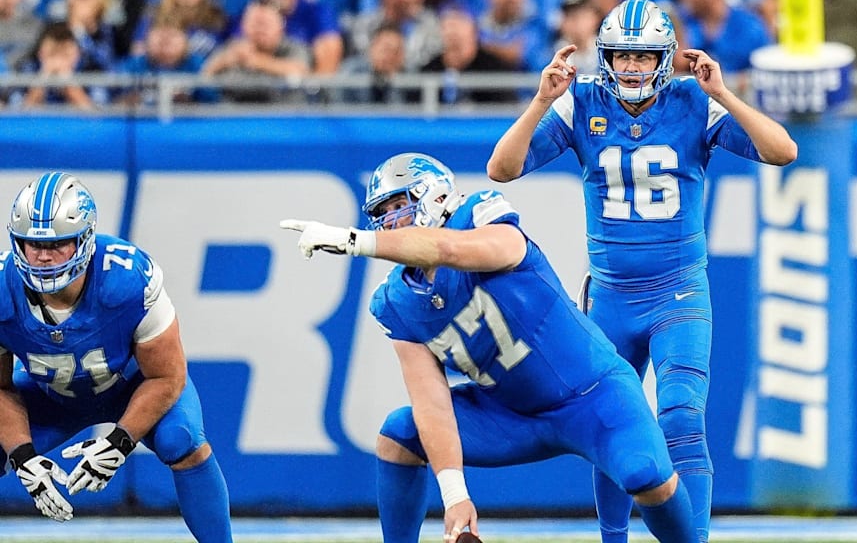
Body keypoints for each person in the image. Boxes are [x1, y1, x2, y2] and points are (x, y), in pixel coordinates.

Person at [486, 0, 797, 543]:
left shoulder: (694, 101)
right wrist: (540, 101)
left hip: (678, 294)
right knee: (610, 425)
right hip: (609, 296)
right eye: (623, 57)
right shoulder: (579, 102)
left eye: (644, 56)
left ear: (666, 57)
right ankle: (614, 539)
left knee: (679, 417)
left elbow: (782, 151)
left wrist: (722, 93)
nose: (631, 68)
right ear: (604, 56)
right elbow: (501, 169)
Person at [279, 152, 699, 543]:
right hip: (508, 414)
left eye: (399, 205)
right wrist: (455, 495)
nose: (390, 222)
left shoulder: (480, 216)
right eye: (381, 215)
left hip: (590, 394)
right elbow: (431, 401)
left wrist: (355, 241)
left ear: (437, 196)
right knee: (400, 433)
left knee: (648, 476)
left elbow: (448, 249)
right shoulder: (396, 300)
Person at [0, 172, 232, 542]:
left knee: (180, 438)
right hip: (51, 394)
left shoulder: (127, 278)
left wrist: (119, 442)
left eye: (58, 244)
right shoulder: (1, 288)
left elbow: (166, 377)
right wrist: (23, 457)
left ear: (85, 240)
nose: (43, 256)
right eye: (31, 244)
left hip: (132, 385)